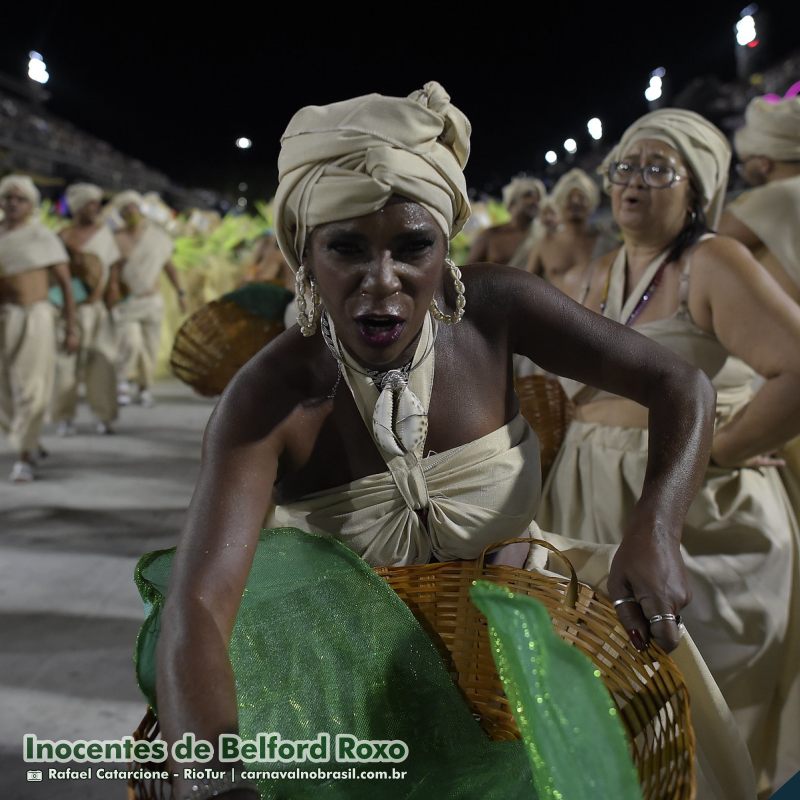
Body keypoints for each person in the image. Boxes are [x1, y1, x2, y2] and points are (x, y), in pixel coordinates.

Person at [154, 84, 753, 800]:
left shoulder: (498, 311)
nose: (384, 284)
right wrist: (215, 781)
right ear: (304, 257)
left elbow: (682, 384)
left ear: (447, 248)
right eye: (347, 248)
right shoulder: (268, 398)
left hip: (536, 657)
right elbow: (199, 606)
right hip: (350, 697)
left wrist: (655, 527)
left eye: (413, 247)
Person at [537, 108, 800, 798]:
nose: (633, 183)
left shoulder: (711, 263)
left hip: (684, 512)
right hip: (590, 496)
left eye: (658, 169)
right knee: (611, 701)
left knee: (689, 703)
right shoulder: (600, 269)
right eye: (625, 167)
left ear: (697, 189)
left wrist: (717, 451)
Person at [0, 175, 78, 482]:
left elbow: (66, 285)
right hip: (3, 317)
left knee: (30, 386)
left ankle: (25, 455)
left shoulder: (43, 237)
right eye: (8, 198)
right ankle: (27, 439)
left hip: (34, 318)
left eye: (20, 199)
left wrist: (72, 328)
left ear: (31, 205)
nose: (13, 204)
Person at [52, 182, 121, 435]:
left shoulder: (105, 234)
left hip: (99, 310)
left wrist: (112, 289)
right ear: (78, 207)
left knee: (102, 363)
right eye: (89, 204)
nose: (94, 208)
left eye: (96, 203)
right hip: (68, 310)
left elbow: (113, 266)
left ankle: (103, 416)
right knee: (65, 365)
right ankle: (64, 416)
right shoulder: (62, 235)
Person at [718, 94, 800, 302]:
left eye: (745, 162)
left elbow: (709, 237)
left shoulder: (778, 196)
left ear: (764, 163)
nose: (743, 171)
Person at [109, 190, 185, 407]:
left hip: (152, 300)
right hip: (128, 301)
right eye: (126, 209)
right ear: (121, 214)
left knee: (150, 347)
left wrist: (180, 292)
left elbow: (169, 267)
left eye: (133, 207)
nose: (130, 212)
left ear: (139, 210)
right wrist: (112, 291)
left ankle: (144, 387)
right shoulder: (116, 238)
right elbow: (113, 271)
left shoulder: (157, 237)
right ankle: (122, 382)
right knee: (130, 343)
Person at [525, 168, 615, 299]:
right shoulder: (544, 244)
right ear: (559, 202)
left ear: (591, 203)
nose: (576, 201)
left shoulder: (607, 242)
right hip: (554, 316)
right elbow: (526, 289)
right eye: (570, 197)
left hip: (599, 316)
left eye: (581, 197)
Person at [467, 176, 544, 267]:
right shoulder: (490, 235)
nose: (535, 202)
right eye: (528, 195)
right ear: (512, 204)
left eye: (538, 198)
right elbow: (469, 272)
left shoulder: (542, 237)